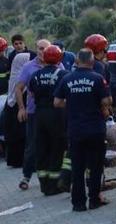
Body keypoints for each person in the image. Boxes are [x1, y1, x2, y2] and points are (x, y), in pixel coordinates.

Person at [54, 49, 111, 212]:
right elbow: (107, 101)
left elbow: (57, 102)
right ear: (92, 62)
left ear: (77, 61)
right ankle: (94, 200)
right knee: (95, 166)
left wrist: (72, 103)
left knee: (77, 167)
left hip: (75, 130)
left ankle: (78, 204)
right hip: (95, 130)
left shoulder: (67, 78)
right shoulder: (98, 78)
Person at [14, 39, 56, 190]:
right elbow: (19, 88)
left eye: (45, 48)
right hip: (34, 112)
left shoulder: (58, 64)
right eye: (39, 48)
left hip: (54, 113)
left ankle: (52, 178)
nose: (42, 51)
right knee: (32, 146)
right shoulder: (28, 67)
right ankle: (26, 176)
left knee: (53, 145)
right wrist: (21, 108)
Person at [28, 44, 68, 195]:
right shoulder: (63, 74)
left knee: (42, 148)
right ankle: (54, 185)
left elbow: (31, 95)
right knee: (57, 148)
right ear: (59, 58)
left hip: (40, 115)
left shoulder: (35, 75)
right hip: (57, 114)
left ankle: (44, 186)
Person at [3, 53, 32, 167]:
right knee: (21, 134)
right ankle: (21, 160)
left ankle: (14, 161)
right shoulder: (22, 76)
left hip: (11, 107)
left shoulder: (14, 74)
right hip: (19, 108)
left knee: (14, 135)